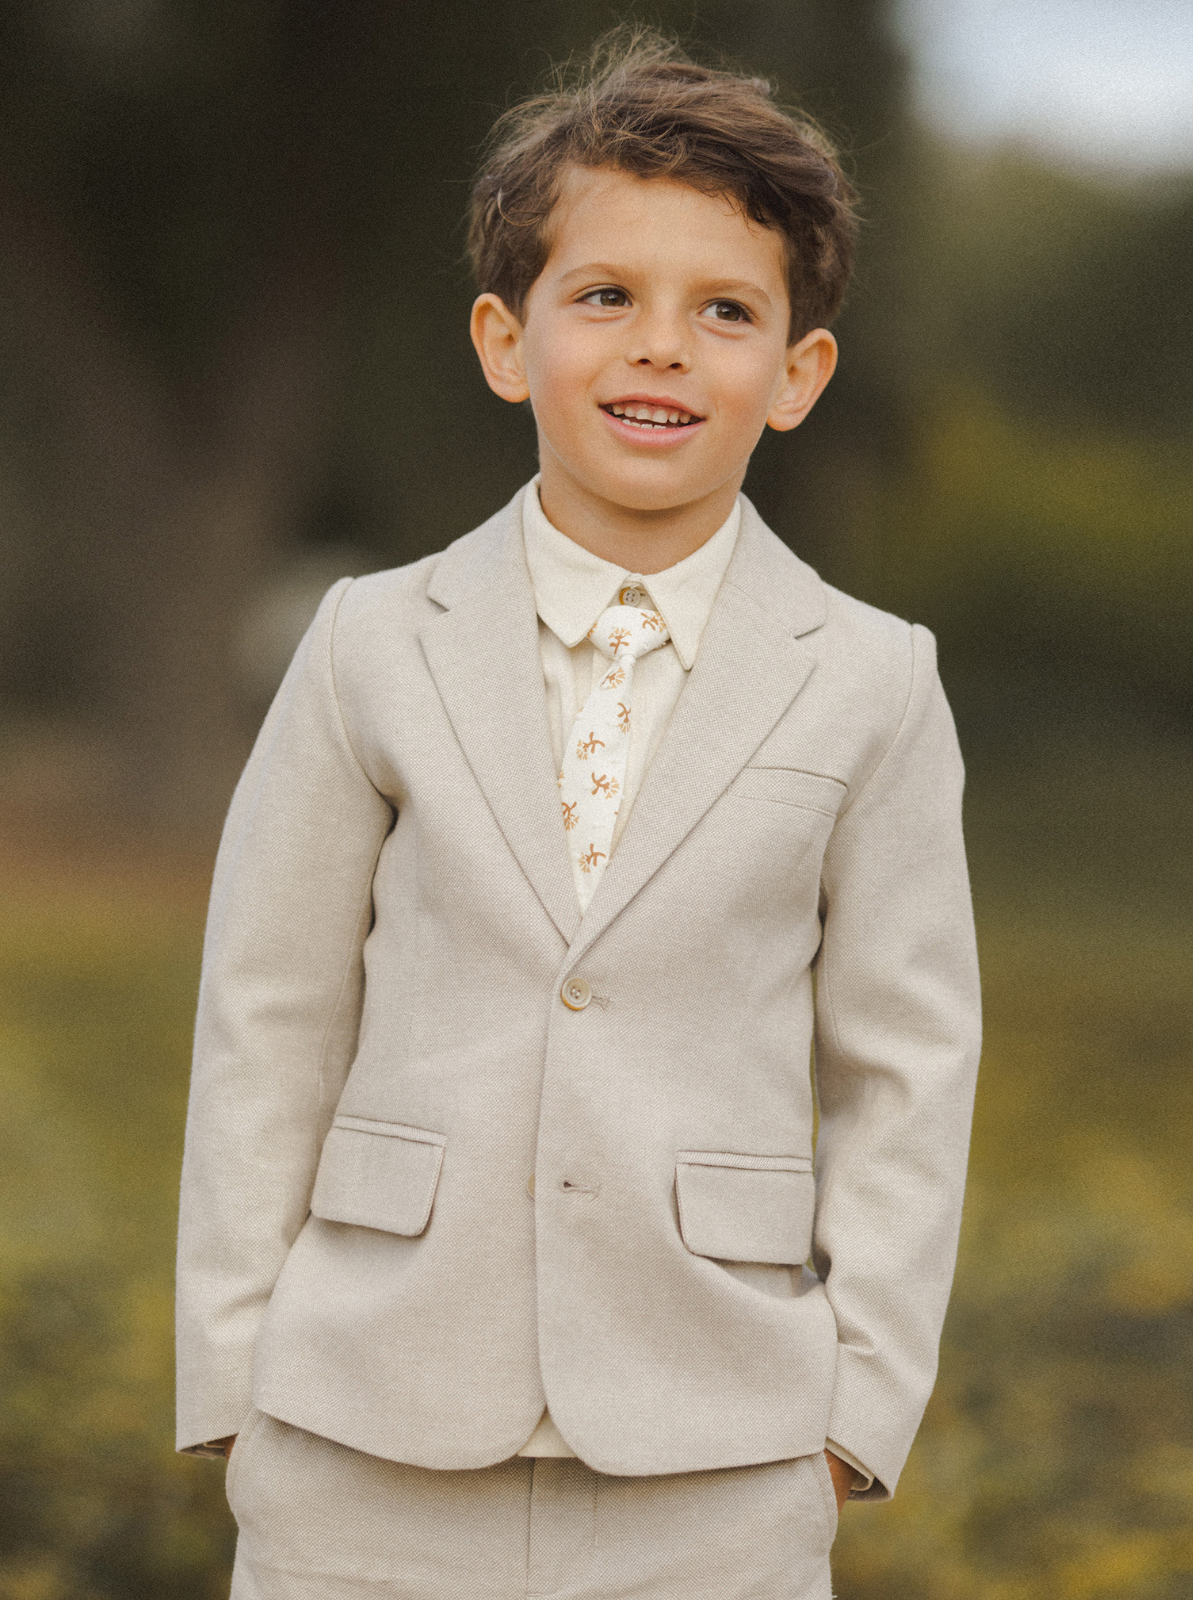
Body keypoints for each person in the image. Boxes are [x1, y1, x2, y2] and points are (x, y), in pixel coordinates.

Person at [176, 31, 981, 1600]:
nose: (661, 348)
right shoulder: (366, 644)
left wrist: (847, 1419)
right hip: (363, 1442)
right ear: (505, 337)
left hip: (720, 1462)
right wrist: (236, 1391)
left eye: (726, 312)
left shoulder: (876, 684)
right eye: (605, 296)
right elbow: (267, 1019)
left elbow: (908, 1067)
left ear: (799, 373)